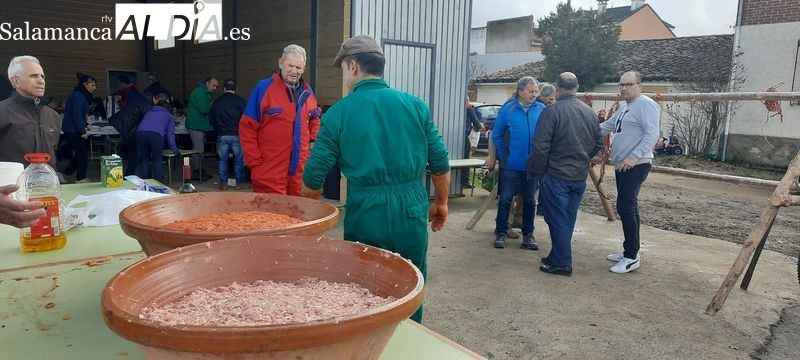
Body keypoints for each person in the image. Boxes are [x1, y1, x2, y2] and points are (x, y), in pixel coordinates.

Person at [300, 35, 450, 323]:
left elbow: (313, 178)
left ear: (353, 66)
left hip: (366, 209)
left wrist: (311, 220)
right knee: (411, 281)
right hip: (412, 207)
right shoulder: (416, 106)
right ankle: (409, 340)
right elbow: (440, 165)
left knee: (364, 288)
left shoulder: (339, 113)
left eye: (343, 69)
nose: (344, 76)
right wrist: (441, 203)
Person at [528, 72, 604, 276]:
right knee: (567, 219)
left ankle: (562, 263)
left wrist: (539, 171)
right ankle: (556, 254)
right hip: (578, 176)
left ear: (556, 87)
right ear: (577, 87)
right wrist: (583, 158)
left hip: (556, 175)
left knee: (557, 219)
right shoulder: (589, 112)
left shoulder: (552, 112)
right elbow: (598, 142)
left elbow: (541, 146)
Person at [600, 70, 661, 274]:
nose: (624, 88)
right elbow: (607, 126)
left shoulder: (646, 105)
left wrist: (634, 156)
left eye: (629, 84)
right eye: (621, 85)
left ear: (639, 86)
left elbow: (652, 133)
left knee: (626, 206)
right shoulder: (626, 107)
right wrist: (583, 126)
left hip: (636, 164)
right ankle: (629, 249)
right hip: (622, 164)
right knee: (628, 206)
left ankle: (632, 256)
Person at [240, 44, 321, 195]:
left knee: (297, 214)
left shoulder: (307, 91)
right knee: (271, 215)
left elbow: (315, 117)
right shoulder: (264, 88)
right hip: (269, 171)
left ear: (303, 68)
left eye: (299, 67)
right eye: (290, 65)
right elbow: (247, 126)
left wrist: (312, 142)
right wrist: (255, 163)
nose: (294, 71)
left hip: (299, 172)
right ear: (281, 63)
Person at [491, 76, 545, 250]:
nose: (534, 94)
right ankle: (501, 232)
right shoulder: (508, 110)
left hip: (532, 166)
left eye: (536, 91)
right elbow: (497, 134)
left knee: (530, 201)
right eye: (531, 91)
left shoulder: (542, 109)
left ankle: (528, 235)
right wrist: (503, 155)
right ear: (520, 91)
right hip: (511, 165)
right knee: (506, 199)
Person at [0, 55, 61, 172]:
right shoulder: (2, 112)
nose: (41, 81)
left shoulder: (53, 116)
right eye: (34, 76)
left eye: (42, 76)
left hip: (47, 185)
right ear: (15, 81)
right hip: (11, 186)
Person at [210, 79, 246, 190]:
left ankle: (223, 183)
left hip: (222, 135)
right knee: (239, 160)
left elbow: (212, 119)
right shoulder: (241, 101)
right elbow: (246, 118)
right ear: (236, 89)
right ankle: (239, 183)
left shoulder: (217, 101)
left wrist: (218, 130)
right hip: (237, 135)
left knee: (222, 160)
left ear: (224, 88)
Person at [61, 72, 97, 183]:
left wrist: (86, 125)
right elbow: (75, 114)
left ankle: (67, 173)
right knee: (82, 153)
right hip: (73, 130)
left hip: (73, 128)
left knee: (81, 152)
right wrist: (82, 131)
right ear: (85, 84)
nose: (94, 87)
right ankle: (81, 178)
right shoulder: (78, 96)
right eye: (92, 84)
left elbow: (79, 115)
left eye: (95, 85)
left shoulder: (80, 95)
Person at [135, 93, 179, 182]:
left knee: (144, 158)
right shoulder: (169, 116)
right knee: (158, 158)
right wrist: (174, 150)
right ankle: (158, 182)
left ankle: (145, 181)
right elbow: (170, 135)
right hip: (155, 135)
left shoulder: (149, 112)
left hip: (140, 133)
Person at [186, 77, 218, 181]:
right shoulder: (201, 93)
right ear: (207, 83)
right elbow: (204, 109)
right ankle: (196, 171)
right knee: (198, 149)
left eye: (216, 86)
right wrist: (213, 104)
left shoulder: (202, 91)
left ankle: (199, 169)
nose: (215, 88)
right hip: (197, 125)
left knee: (199, 148)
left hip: (199, 124)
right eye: (213, 85)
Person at [534, 82, 556, 215]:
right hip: (537, 151)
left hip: (542, 150)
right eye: (550, 99)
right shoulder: (538, 107)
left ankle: (542, 207)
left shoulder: (546, 108)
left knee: (542, 181)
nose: (552, 102)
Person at [462, 101, 483, 189]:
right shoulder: (469, 108)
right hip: (464, 138)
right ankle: (465, 181)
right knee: (465, 160)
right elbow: (477, 124)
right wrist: (478, 127)